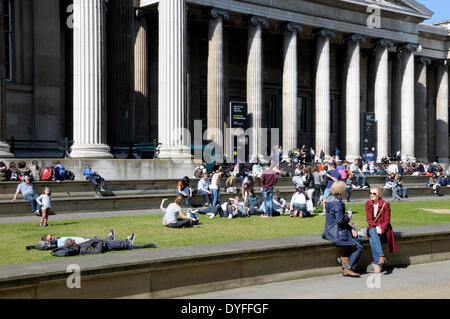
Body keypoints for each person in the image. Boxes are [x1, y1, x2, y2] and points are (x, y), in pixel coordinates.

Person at [322, 181, 363, 277]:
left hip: (329, 231)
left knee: (357, 239)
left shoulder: (329, 199)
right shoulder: (338, 203)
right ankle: (348, 267)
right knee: (359, 247)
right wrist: (348, 217)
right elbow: (340, 220)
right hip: (337, 233)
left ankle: (345, 259)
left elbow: (334, 219)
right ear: (341, 190)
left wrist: (350, 228)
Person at [365, 185, 398, 273]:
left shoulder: (385, 204)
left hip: (384, 230)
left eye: (374, 193)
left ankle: (377, 265)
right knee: (372, 230)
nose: (371, 195)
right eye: (370, 193)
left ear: (379, 194)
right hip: (373, 227)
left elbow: (387, 220)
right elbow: (369, 220)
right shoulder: (368, 204)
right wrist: (376, 226)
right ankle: (381, 256)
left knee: (372, 239)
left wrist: (381, 228)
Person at [63, 234, 156, 255]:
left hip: (106, 242)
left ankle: (128, 240)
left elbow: (89, 242)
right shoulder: (81, 249)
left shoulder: (78, 245)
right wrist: (99, 242)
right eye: (73, 240)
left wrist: (93, 239)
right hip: (106, 245)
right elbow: (97, 251)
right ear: (73, 243)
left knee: (123, 243)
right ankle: (149, 245)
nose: (74, 239)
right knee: (128, 246)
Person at [42, 230, 116, 248]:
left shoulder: (58, 239)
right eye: (50, 238)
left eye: (51, 235)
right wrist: (85, 241)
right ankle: (111, 239)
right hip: (83, 242)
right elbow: (72, 245)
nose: (52, 237)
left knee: (97, 238)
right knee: (98, 241)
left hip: (83, 239)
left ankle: (109, 239)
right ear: (49, 242)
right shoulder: (59, 244)